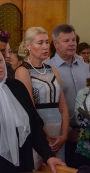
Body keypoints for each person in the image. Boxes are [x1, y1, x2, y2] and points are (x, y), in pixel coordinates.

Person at [0, 44, 66, 173]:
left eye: (0, 60)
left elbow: (34, 126)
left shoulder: (17, 87)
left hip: (21, 166)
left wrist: (48, 156)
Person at [15, 27, 69, 167]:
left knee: (58, 168)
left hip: (58, 129)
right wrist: (44, 137)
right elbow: (30, 108)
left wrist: (64, 135)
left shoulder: (53, 70)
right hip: (37, 130)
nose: (45, 47)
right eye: (40, 43)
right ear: (28, 45)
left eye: (46, 42)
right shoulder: (23, 71)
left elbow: (62, 105)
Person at [46, 24, 90, 167]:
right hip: (63, 133)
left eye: (73, 40)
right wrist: (68, 131)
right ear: (56, 44)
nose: (72, 44)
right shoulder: (48, 68)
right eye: (66, 41)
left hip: (88, 132)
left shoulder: (86, 67)